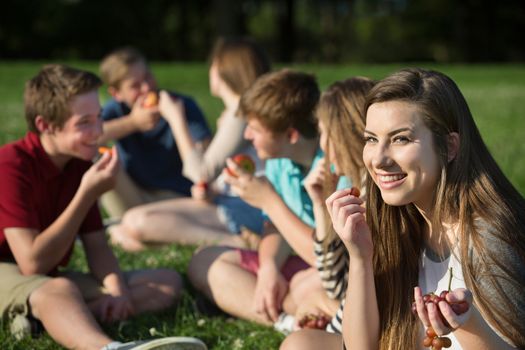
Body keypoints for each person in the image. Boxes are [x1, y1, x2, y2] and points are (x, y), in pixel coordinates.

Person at [281, 68, 525, 350]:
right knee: (301, 344)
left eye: (401, 139)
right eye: (371, 139)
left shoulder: (488, 237)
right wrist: (360, 256)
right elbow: (361, 346)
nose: (379, 159)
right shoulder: (394, 218)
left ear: (450, 146)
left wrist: (467, 325)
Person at [0, 64, 206, 350]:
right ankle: (107, 348)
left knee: (165, 282)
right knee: (60, 289)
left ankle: (41, 320)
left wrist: (118, 292)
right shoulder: (11, 165)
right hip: (9, 269)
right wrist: (86, 194)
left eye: (99, 118)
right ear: (45, 125)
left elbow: (97, 246)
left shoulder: (77, 163)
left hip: (44, 278)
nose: (98, 131)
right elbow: (32, 263)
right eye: (84, 123)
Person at [188, 69, 328, 328]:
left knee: (309, 286)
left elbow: (330, 260)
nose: (247, 136)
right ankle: (286, 319)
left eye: (254, 129)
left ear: (291, 135)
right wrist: (268, 268)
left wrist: (269, 202)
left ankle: (267, 309)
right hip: (299, 263)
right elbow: (274, 228)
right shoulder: (278, 161)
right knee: (204, 261)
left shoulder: (333, 167)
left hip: (329, 271)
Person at [108, 37, 271, 251]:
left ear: (224, 70)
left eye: (213, 64)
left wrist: (176, 119)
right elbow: (213, 174)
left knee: (132, 224)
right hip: (228, 202)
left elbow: (200, 172)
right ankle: (176, 240)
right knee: (125, 229)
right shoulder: (235, 114)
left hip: (243, 209)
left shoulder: (241, 114)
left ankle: (237, 243)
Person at [295, 77, 375, 335]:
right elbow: (338, 286)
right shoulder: (355, 184)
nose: (322, 145)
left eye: (326, 132)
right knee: (304, 292)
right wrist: (320, 206)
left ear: (346, 134)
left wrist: (326, 331)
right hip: (361, 313)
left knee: (298, 341)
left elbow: (350, 292)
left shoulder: (378, 197)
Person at [98, 47, 212, 220]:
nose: (147, 88)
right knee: (92, 153)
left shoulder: (181, 105)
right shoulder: (115, 110)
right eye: (135, 86)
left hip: (177, 197)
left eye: (148, 77)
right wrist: (133, 123)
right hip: (133, 195)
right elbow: (88, 136)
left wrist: (175, 118)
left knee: (129, 232)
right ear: (116, 94)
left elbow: (207, 158)